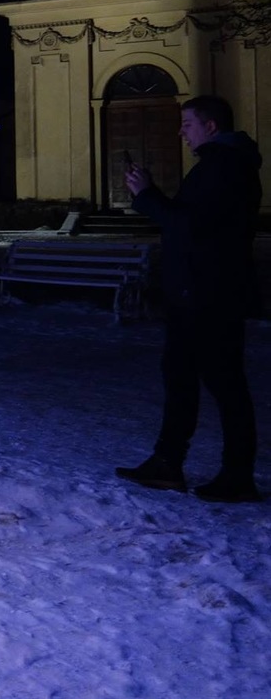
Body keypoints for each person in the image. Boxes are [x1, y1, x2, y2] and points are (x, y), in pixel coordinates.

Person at [118, 95, 263, 503]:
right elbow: (193, 224)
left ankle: (235, 475)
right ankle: (168, 462)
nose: (181, 131)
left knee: (222, 383)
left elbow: (191, 227)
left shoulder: (223, 167)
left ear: (211, 126)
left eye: (187, 123)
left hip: (208, 293)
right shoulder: (221, 166)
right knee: (185, 377)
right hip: (200, 291)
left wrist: (148, 196)